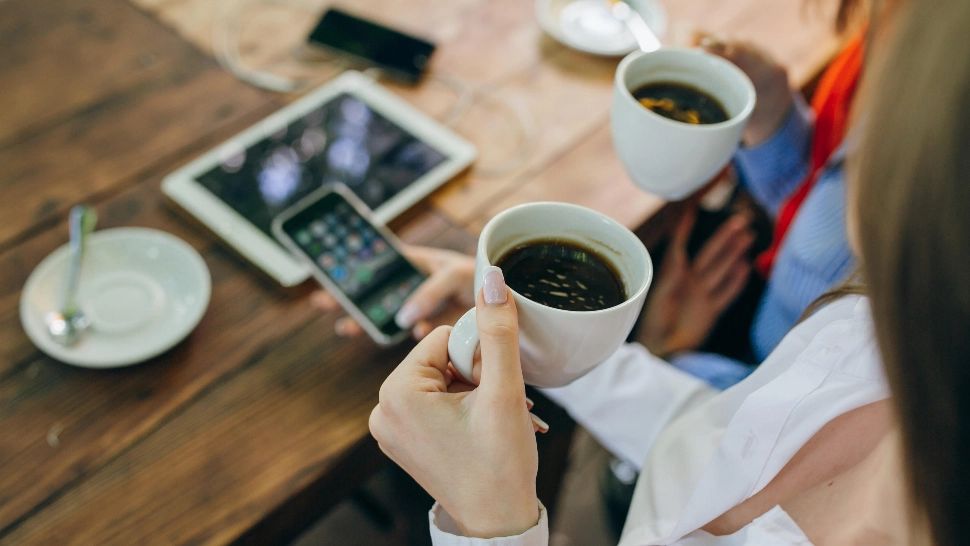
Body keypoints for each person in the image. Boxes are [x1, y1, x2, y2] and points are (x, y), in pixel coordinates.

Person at [368, 0, 970, 542]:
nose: (844, 150)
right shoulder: (872, 326)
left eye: (876, 95)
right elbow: (727, 441)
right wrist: (547, 344)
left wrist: (491, 524)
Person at [313, 0, 868, 393]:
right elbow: (837, 205)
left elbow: (780, 432)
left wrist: (665, 355)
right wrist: (776, 126)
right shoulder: (882, 63)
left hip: (734, 385)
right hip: (738, 327)